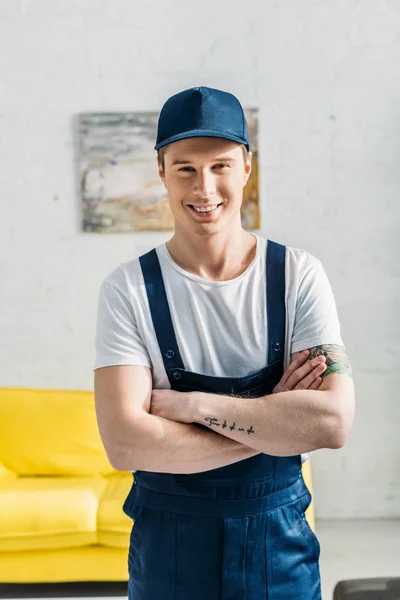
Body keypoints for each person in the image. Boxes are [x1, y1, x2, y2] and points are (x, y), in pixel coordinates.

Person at [94, 86, 355, 600]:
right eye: (186, 168)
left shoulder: (298, 276)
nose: (205, 186)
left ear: (246, 170)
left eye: (220, 165)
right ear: (162, 173)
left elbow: (332, 422)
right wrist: (274, 423)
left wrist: (190, 407)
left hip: (278, 545)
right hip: (169, 550)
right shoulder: (127, 290)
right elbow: (125, 444)